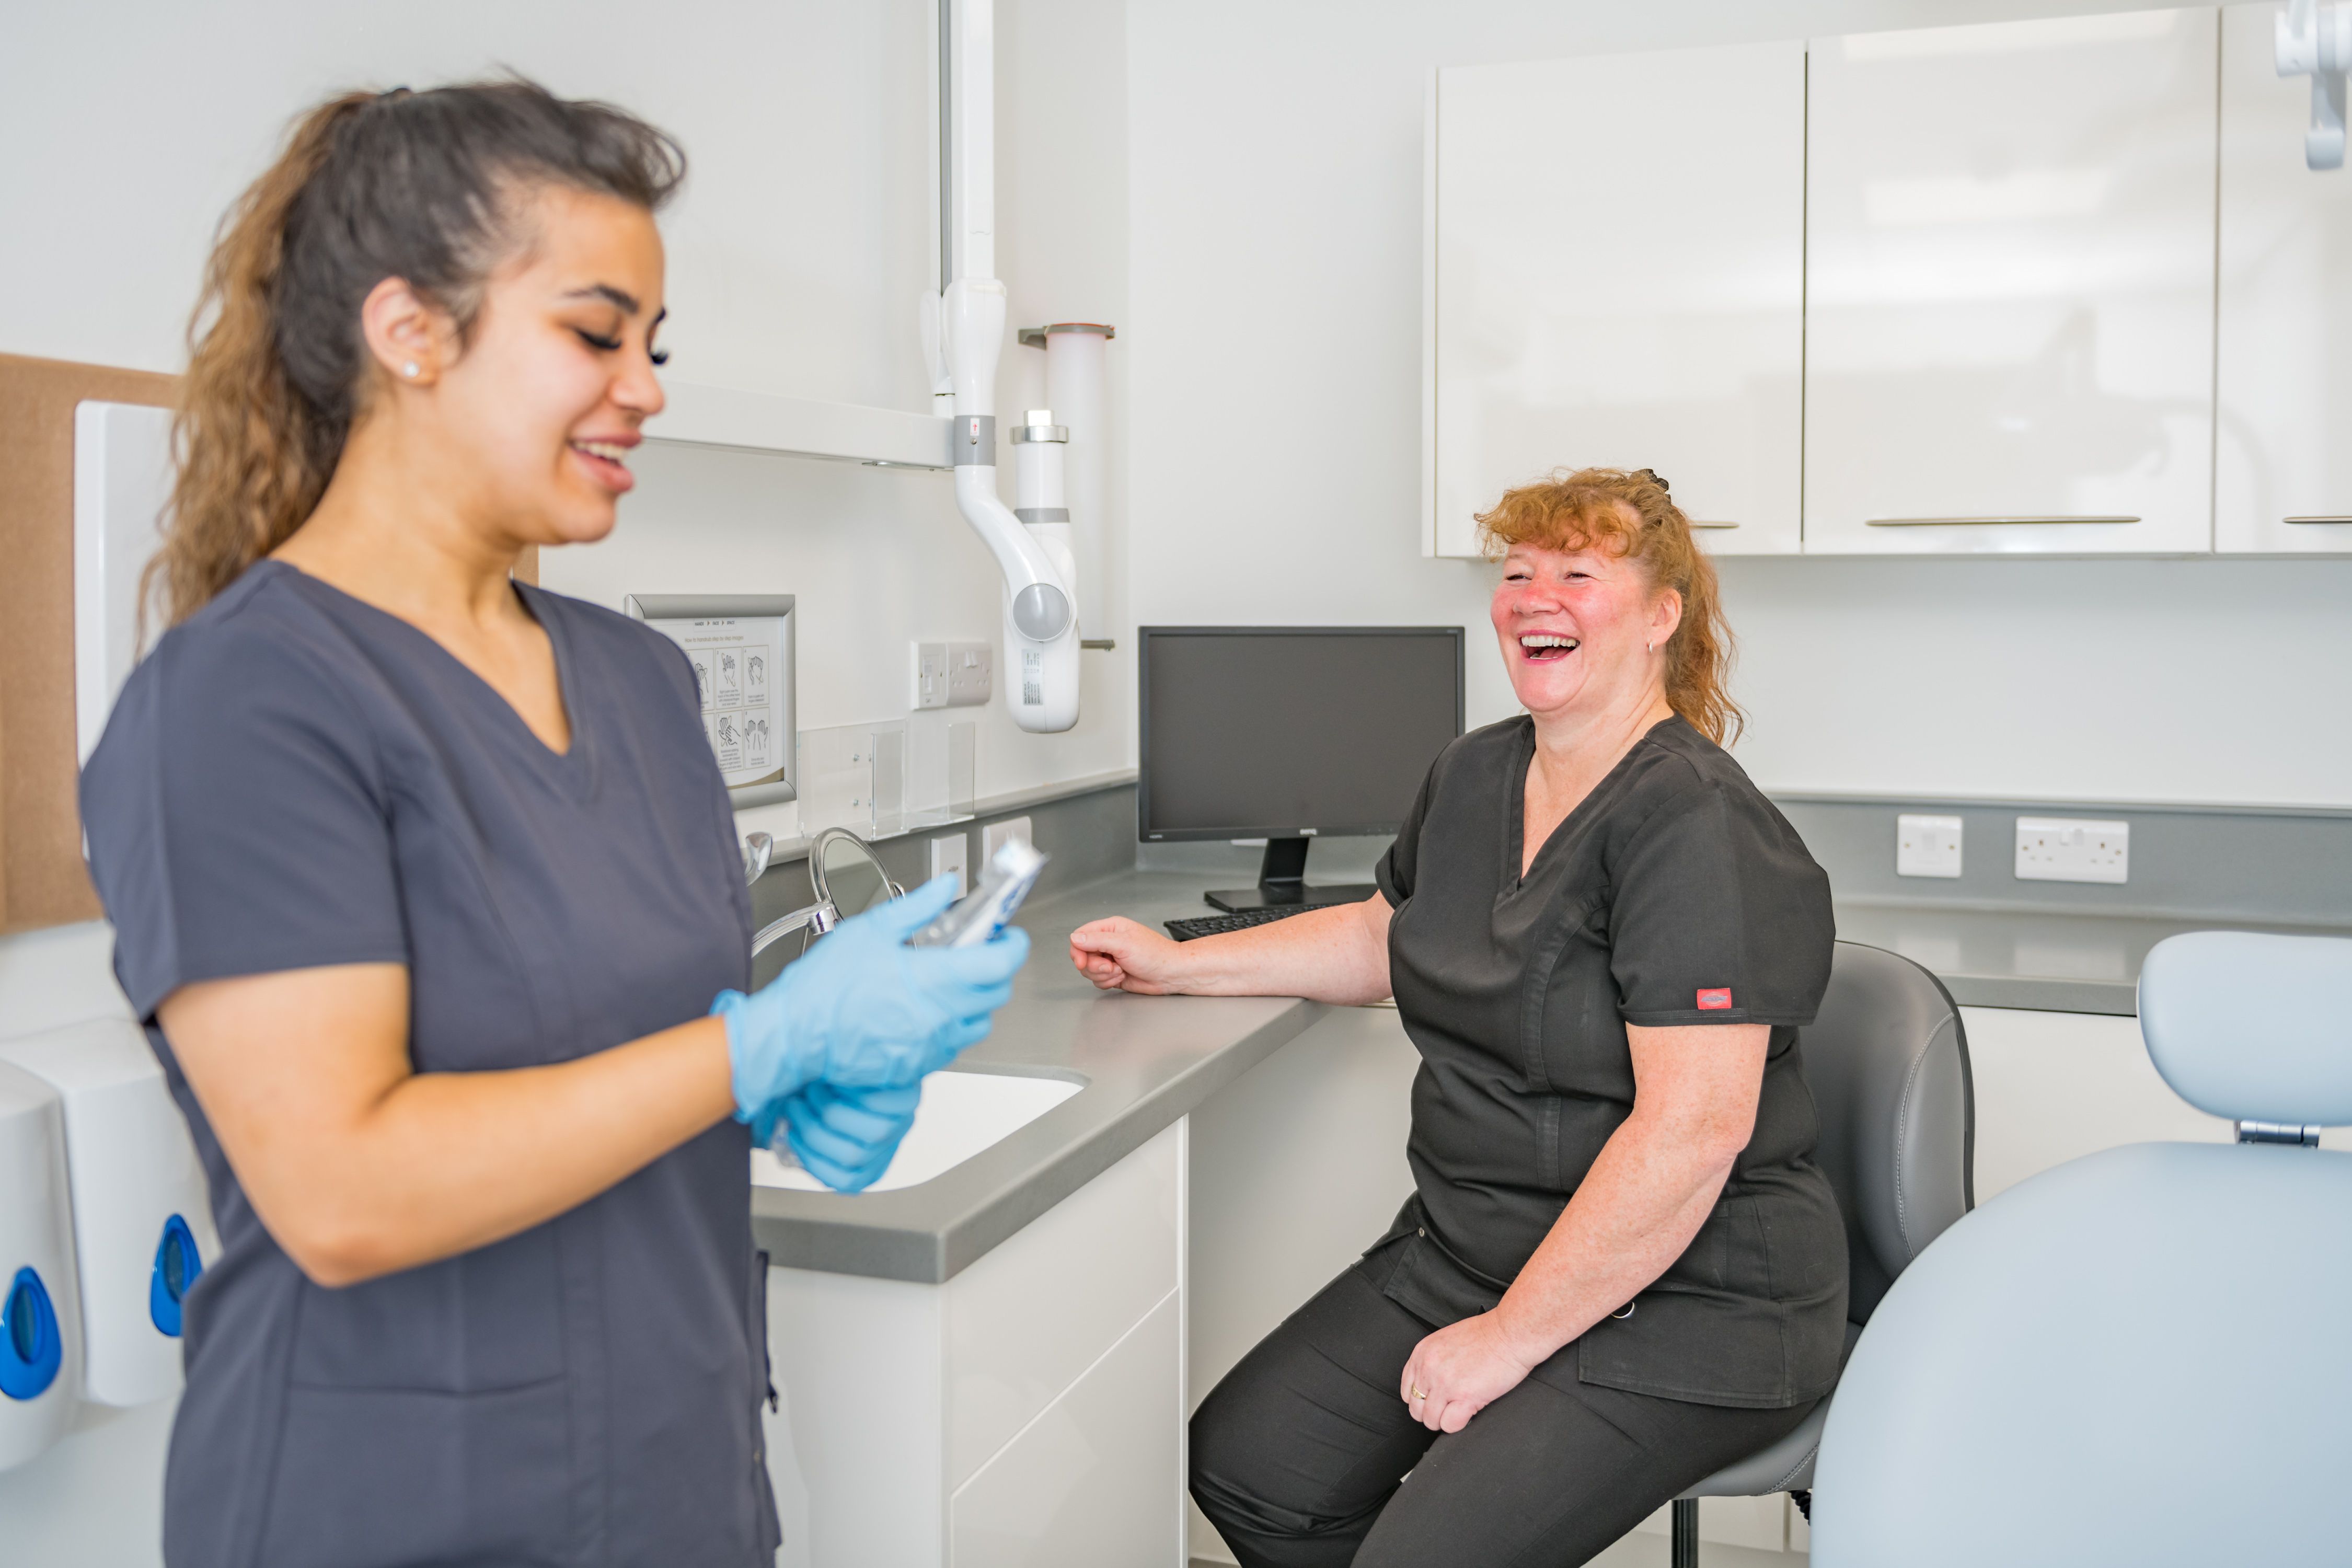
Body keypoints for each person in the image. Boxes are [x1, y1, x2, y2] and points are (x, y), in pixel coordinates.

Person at [77, 81, 1027, 1567]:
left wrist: (788, 1085)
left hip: (679, 1477)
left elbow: (608, 1044)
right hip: (399, 1505)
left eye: (653, 347)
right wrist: (754, 1047)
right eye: (593, 335)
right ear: (410, 332)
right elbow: (339, 1188)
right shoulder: (247, 703)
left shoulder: (639, 684)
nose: (644, 387)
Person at [1069, 469, 1842, 1567]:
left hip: (1696, 1296)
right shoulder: (1478, 770)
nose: (1537, 596)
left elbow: (1692, 1133)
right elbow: (1386, 934)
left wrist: (1508, 1342)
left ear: (1662, 615)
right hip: (1475, 1245)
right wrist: (1176, 966)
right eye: (1519, 573)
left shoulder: (1698, 824)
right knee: (1253, 1468)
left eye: (1579, 573)